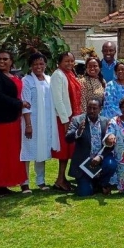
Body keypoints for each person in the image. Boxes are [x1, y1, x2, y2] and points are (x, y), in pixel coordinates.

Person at [0, 50, 29, 197]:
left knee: (10, 154)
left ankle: (4, 184)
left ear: (11, 61)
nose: (1, 61)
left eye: (5, 59)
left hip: (12, 119)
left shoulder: (13, 76)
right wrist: (19, 103)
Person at [20, 53, 59, 192]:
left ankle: (40, 181)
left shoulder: (49, 79)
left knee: (41, 149)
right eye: (35, 64)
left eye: (41, 64)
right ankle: (24, 182)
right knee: (28, 152)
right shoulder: (27, 81)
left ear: (45, 65)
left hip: (46, 122)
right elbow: (26, 103)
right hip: (31, 121)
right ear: (31, 66)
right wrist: (28, 125)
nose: (39, 66)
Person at [65, 99, 117, 196]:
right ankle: (93, 184)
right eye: (89, 108)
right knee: (85, 193)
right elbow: (68, 139)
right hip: (84, 164)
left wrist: (100, 157)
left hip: (100, 160)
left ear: (100, 109)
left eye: (94, 108)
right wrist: (78, 132)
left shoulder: (106, 122)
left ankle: (102, 183)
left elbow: (110, 145)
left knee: (111, 164)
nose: (91, 111)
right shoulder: (77, 120)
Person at [51, 51, 83, 192]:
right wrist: (65, 121)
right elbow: (58, 100)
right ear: (59, 62)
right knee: (64, 151)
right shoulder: (57, 75)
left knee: (70, 150)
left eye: (72, 61)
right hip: (64, 118)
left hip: (73, 117)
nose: (69, 64)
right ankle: (60, 179)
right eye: (66, 61)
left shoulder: (70, 75)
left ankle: (63, 178)